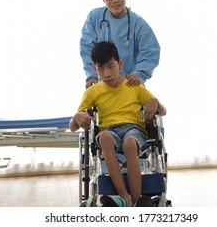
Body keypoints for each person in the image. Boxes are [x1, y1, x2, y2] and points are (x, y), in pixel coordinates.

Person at [69, 41, 166, 207]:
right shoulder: (92, 91)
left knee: (129, 144)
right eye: (101, 69)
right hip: (110, 131)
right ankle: (124, 198)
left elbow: (162, 111)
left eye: (110, 67)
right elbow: (72, 127)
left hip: (133, 129)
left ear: (120, 64)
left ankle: (136, 201)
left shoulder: (133, 85)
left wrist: (154, 101)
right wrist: (77, 116)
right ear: (95, 69)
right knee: (105, 137)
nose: (106, 74)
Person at [80, 0, 160, 89]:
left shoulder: (139, 24)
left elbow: (150, 53)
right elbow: (87, 48)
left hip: (130, 84)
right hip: (102, 83)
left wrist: (138, 74)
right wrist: (92, 76)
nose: (115, 0)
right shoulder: (94, 17)